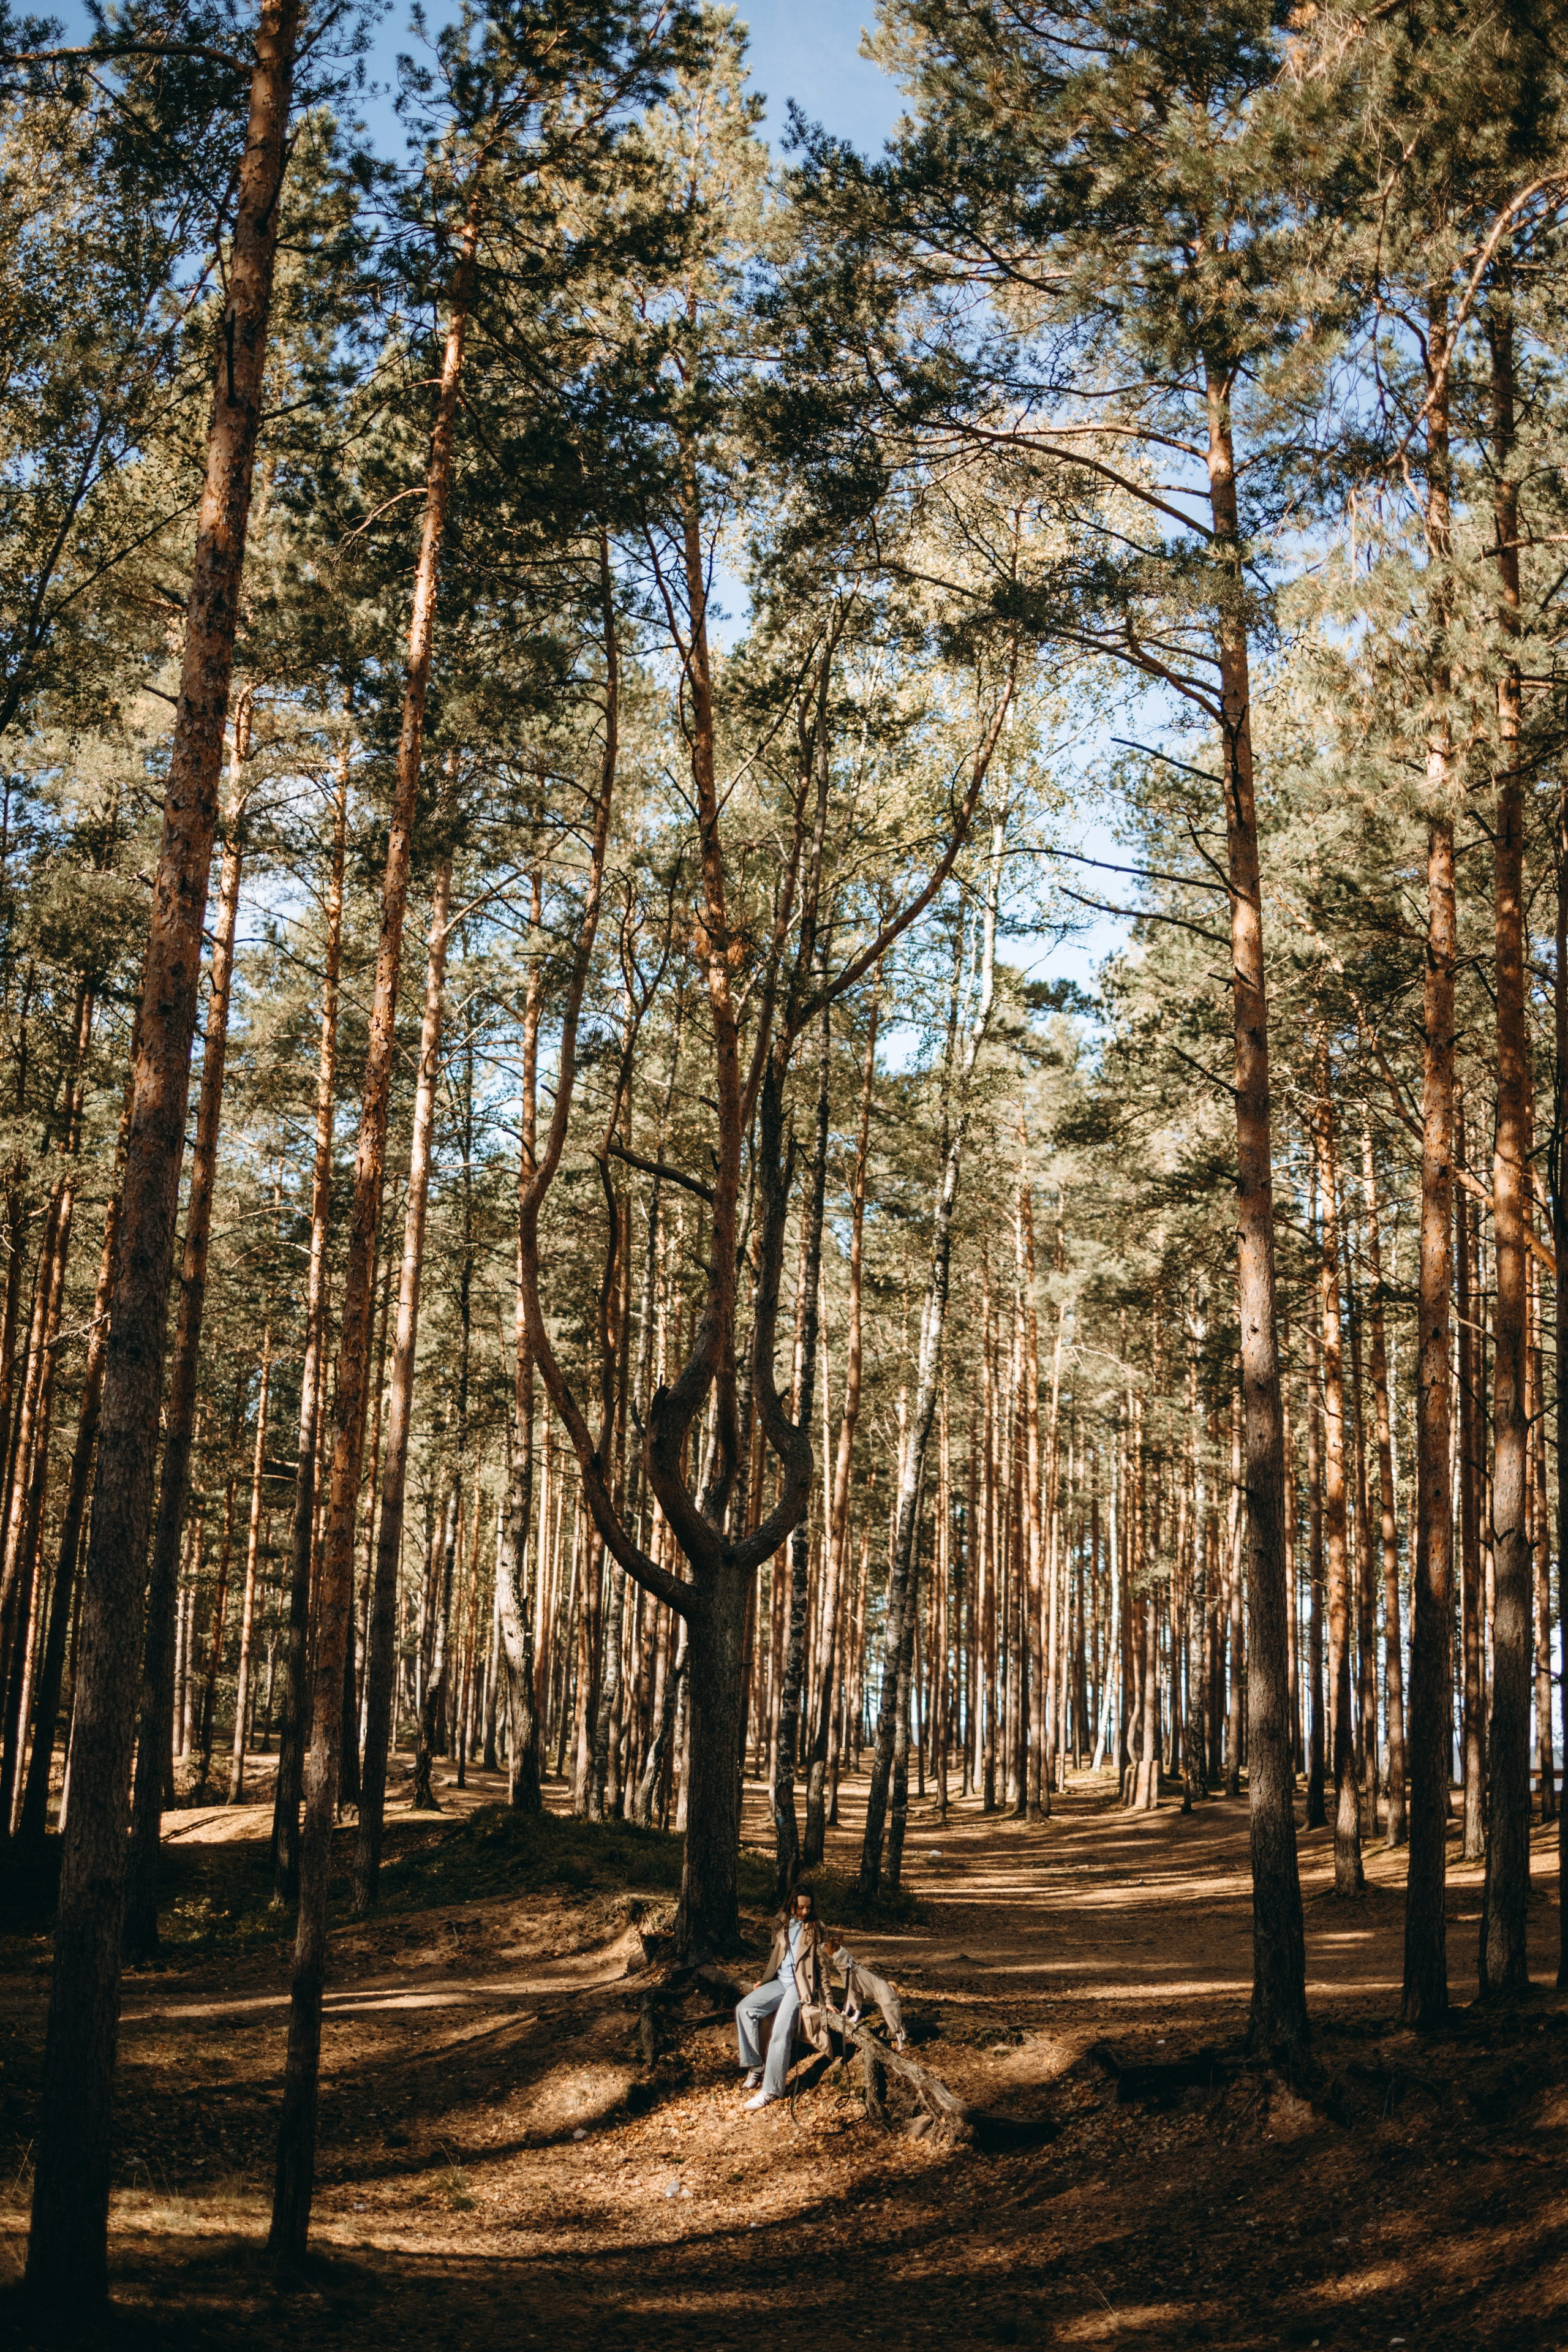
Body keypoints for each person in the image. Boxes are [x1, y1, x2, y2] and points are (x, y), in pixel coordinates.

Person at [734, 1884, 843, 2112]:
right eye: (801, 1907)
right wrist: (764, 1982)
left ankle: (770, 2090)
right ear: (792, 1904)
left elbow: (823, 1967)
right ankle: (756, 2065)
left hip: (799, 1986)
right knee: (744, 2009)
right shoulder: (781, 1921)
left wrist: (829, 1999)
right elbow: (776, 1955)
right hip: (780, 1982)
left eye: (809, 1907)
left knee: (780, 2032)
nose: (805, 1912)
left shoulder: (817, 1927)